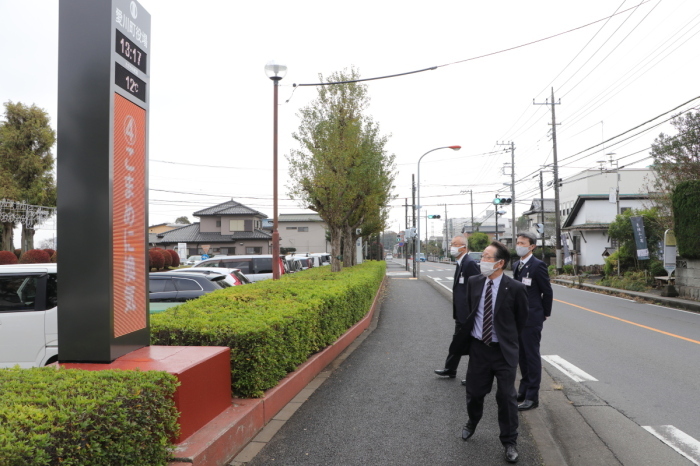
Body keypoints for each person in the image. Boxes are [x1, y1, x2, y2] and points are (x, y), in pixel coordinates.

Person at [459, 241, 528, 464]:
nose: (482, 261)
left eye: (487, 257)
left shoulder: (515, 288)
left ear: (500, 263)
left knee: (506, 397)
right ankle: (472, 420)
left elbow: (521, 320)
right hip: (479, 349)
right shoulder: (474, 282)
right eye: (483, 257)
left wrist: (507, 340)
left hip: (504, 351)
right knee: (475, 393)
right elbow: (471, 312)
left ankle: (509, 442)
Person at [513, 231, 553, 411]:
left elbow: (547, 291)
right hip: (519, 317)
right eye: (517, 242)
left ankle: (532, 397)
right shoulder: (516, 265)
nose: (519, 245)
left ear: (532, 246)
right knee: (521, 356)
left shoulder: (538, 266)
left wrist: (545, 313)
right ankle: (522, 391)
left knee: (531, 356)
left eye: (522, 243)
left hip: (533, 317)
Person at [434, 235, 480, 379]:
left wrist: (471, 312)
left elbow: (477, 288)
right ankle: (450, 369)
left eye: (455, 244)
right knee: (458, 341)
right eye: (451, 244)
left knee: (472, 345)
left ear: (463, 247)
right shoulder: (461, 262)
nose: (451, 247)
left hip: (467, 313)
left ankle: (473, 375)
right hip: (461, 313)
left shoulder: (469, 263)